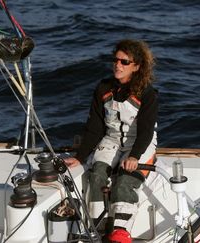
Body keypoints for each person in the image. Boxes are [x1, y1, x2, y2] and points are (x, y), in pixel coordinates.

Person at [64, 39, 158, 243]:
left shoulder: (147, 94)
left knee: (124, 182)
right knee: (96, 175)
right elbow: (95, 127)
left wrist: (134, 156)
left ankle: (120, 233)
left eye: (124, 62)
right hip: (111, 141)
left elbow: (146, 131)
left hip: (139, 145)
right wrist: (80, 157)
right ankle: (97, 228)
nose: (118, 65)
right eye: (116, 60)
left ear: (136, 66)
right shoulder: (103, 88)